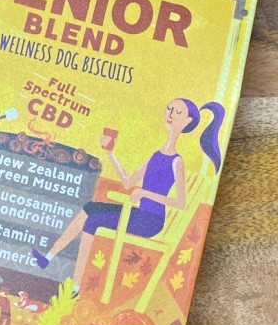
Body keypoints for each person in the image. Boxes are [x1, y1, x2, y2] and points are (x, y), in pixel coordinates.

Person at [32, 98, 224, 293]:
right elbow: (128, 182)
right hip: (138, 214)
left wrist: (145, 193)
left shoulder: (177, 162)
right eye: (169, 108)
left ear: (188, 121)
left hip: (151, 221)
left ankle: (76, 286)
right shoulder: (156, 155)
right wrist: (110, 153)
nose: (171, 114)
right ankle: (48, 257)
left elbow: (180, 203)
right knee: (90, 207)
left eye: (178, 112)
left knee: (93, 220)